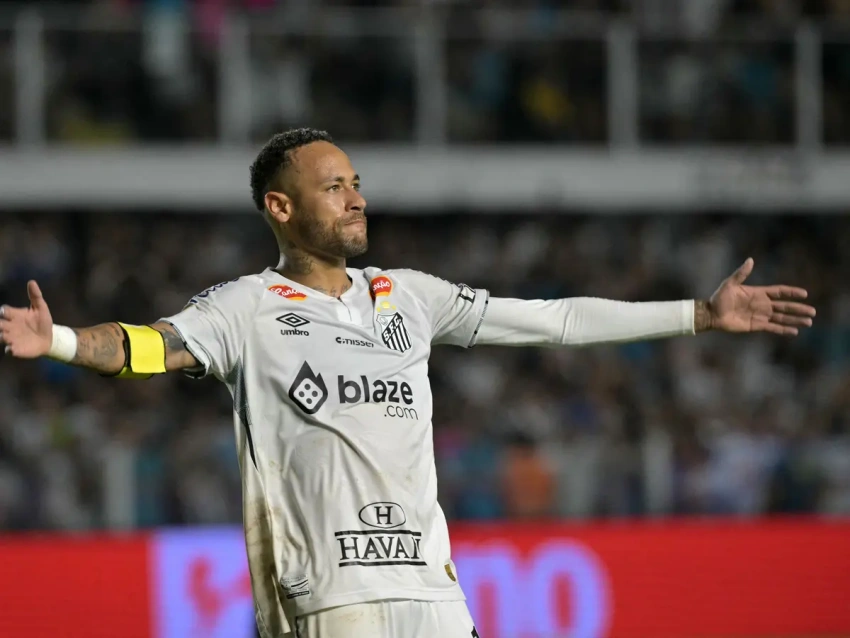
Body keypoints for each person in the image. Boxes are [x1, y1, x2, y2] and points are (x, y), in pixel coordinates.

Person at [0, 128, 816, 638]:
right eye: (333, 187)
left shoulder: (410, 296)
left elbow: (555, 320)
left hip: (433, 592)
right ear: (280, 207)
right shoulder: (246, 308)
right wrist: (62, 341)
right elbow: (151, 346)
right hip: (330, 599)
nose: (356, 198)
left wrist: (698, 316)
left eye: (355, 182)